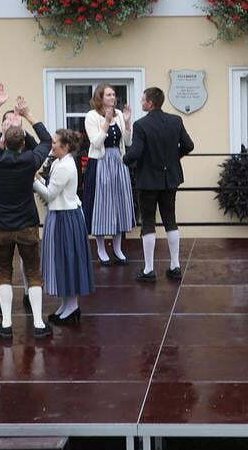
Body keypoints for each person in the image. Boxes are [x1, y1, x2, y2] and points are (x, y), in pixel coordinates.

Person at [0, 99, 53, 340]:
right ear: (23, 144)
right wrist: (27, 115)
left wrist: (4, 135)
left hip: (1, 226)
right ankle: (39, 323)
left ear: (3, 141)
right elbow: (46, 141)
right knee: (33, 272)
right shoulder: (30, 160)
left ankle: (6, 324)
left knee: (3, 272)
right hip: (27, 225)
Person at [123, 87, 195, 282]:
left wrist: (124, 159)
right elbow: (189, 145)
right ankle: (175, 266)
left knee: (148, 222)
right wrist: (174, 158)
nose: (141, 103)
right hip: (170, 178)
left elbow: (135, 152)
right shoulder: (175, 121)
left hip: (148, 180)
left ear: (150, 103)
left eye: (143, 100)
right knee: (170, 220)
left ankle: (149, 270)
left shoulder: (141, 125)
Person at [34, 129, 95, 325]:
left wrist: (33, 181)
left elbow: (50, 194)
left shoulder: (65, 165)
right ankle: (66, 305)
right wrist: (39, 179)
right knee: (64, 260)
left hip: (65, 217)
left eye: (54, 142)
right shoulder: (60, 162)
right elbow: (53, 187)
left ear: (66, 146)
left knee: (67, 259)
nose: (52, 145)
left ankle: (72, 306)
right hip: (62, 214)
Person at [83, 85, 136, 266]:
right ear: (100, 97)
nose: (113, 97)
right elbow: (96, 143)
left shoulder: (119, 114)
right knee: (102, 205)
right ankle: (101, 248)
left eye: (113, 94)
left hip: (118, 163)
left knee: (119, 204)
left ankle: (118, 248)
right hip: (100, 163)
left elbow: (127, 141)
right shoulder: (91, 116)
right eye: (108, 95)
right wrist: (106, 121)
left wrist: (127, 123)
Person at [0, 83, 37, 152]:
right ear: (2, 125)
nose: (13, 123)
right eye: (10, 119)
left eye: (16, 120)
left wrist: (27, 116)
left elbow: (40, 149)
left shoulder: (27, 141)